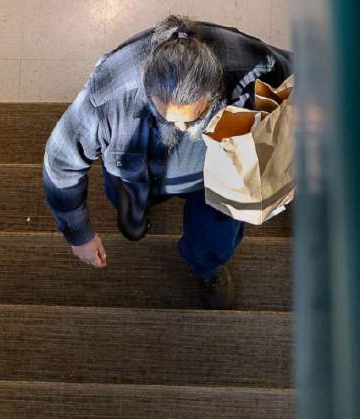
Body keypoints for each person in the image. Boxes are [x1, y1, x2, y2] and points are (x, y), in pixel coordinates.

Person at [43, 15, 292, 309]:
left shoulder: (254, 64)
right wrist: (79, 234)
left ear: (215, 91)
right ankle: (137, 220)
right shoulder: (109, 92)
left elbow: (303, 80)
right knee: (129, 219)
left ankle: (206, 269)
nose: (182, 131)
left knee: (215, 240)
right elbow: (60, 163)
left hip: (218, 180)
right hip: (135, 178)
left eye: (193, 119)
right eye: (166, 118)